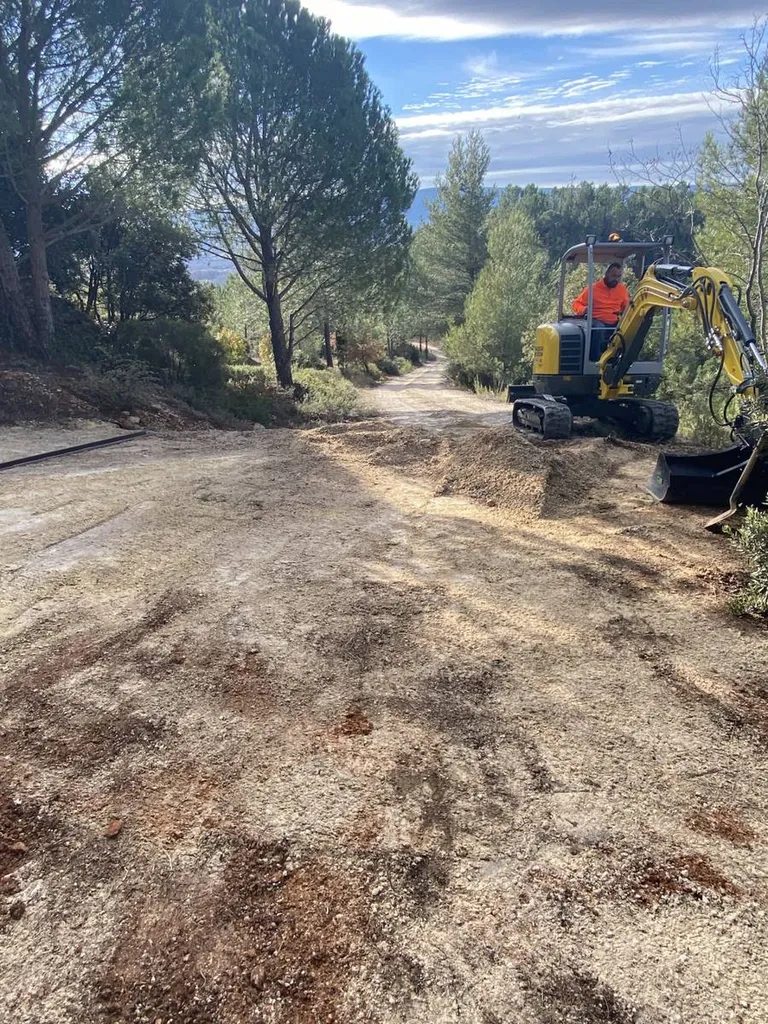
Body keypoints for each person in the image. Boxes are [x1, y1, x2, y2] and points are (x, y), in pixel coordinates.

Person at [572, 262, 630, 360]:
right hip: (596, 319)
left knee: (628, 329)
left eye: (618, 276)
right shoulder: (593, 289)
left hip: (614, 321)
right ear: (607, 274)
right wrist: (583, 309)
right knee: (599, 328)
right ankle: (595, 357)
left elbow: (626, 306)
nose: (616, 279)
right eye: (613, 275)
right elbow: (576, 304)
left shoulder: (622, 289)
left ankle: (620, 357)